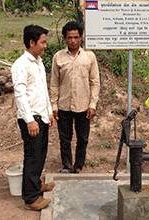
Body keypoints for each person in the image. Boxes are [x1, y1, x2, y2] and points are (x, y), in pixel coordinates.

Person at [11, 24, 55, 210]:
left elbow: (42, 91)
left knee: (41, 155)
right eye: (42, 42)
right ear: (32, 42)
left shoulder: (38, 62)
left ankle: (36, 186)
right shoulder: (21, 65)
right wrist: (29, 120)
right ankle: (30, 198)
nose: (45, 46)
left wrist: (50, 111)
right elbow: (20, 95)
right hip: (31, 119)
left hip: (42, 116)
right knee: (32, 157)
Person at [50, 21, 100, 174]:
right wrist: (54, 106)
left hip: (83, 106)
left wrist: (93, 104)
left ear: (81, 38)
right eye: (69, 37)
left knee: (82, 139)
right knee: (65, 140)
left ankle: (78, 166)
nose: (73, 41)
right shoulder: (58, 57)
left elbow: (95, 82)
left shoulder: (89, 57)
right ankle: (67, 165)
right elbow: (54, 83)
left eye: (76, 37)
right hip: (64, 106)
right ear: (65, 38)